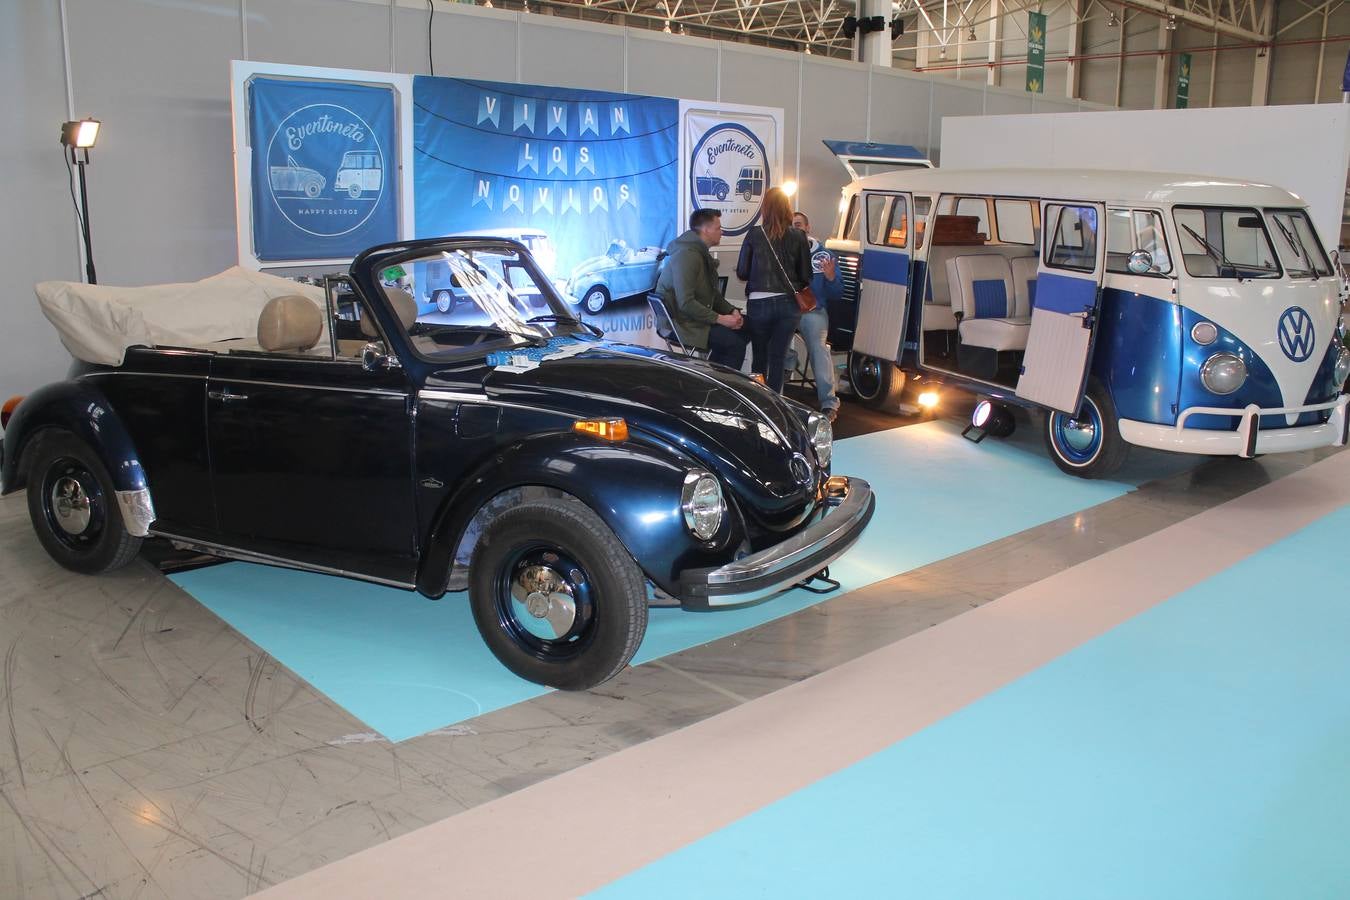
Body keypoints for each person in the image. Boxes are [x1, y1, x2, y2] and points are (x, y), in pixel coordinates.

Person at [735, 187, 811, 393]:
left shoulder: (754, 234)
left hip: (759, 303)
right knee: (778, 357)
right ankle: (777, 406)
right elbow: (806, 277)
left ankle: (758, 404)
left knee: (759, 358)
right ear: (787, 209)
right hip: (788, 305)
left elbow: (742, 272)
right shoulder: (799, 236)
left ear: (764, 209)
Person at [654, 209, 747, 369]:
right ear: (705, 230)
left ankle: (714, 378)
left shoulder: (698, 253)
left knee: (746, 328)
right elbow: (686, 303)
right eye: (718, 228)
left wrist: (732, 311)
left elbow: (713, 295)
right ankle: (721, 389)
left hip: (690, 320)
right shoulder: (687, 255)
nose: (722, 231)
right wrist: (721, 319)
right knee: (734, 345)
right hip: (680, 324)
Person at [785, 211, 845, 421]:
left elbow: (838, 293)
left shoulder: (823, 255)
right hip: (787, 310)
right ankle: (788, 364)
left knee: (819, 348)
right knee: (774, 338)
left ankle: (829, 403)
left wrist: (830, 278)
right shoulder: (781, 253)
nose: (795, 228)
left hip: (813, 311)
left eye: (799, 224)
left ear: (808, 228)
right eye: (791, 225)